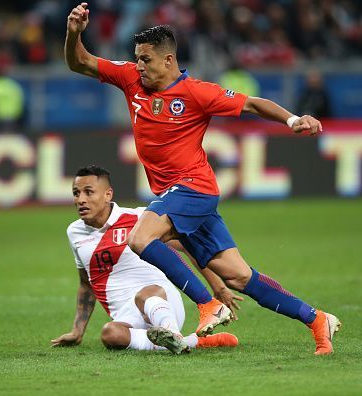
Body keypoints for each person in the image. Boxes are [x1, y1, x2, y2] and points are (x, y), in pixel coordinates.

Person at [65, 3, 341, 355]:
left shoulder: (197, 92)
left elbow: (252, 104)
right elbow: (80, 62)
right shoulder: (130, 79)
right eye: (136, 58)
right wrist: (74, 32)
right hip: (178, 197)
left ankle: (208, 305)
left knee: (140, 237)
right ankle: (318, 320)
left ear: (168, 61)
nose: (138, 66)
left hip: (194, 188)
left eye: (145, 60)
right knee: (239, 277)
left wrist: (292, 120)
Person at [51, 165, 240, 354]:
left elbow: (190, 248)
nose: (81, 200)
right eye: (76, 193)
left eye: (88, 192)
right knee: (110, 334)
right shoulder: (74, 233)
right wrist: (77, 331)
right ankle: (191, 342)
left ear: (108, 195)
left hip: (161, 299)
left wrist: (218, 287)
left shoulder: (140, 218)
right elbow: (86, 284)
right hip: (128, 314)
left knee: (144, 294)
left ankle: (171, 332)